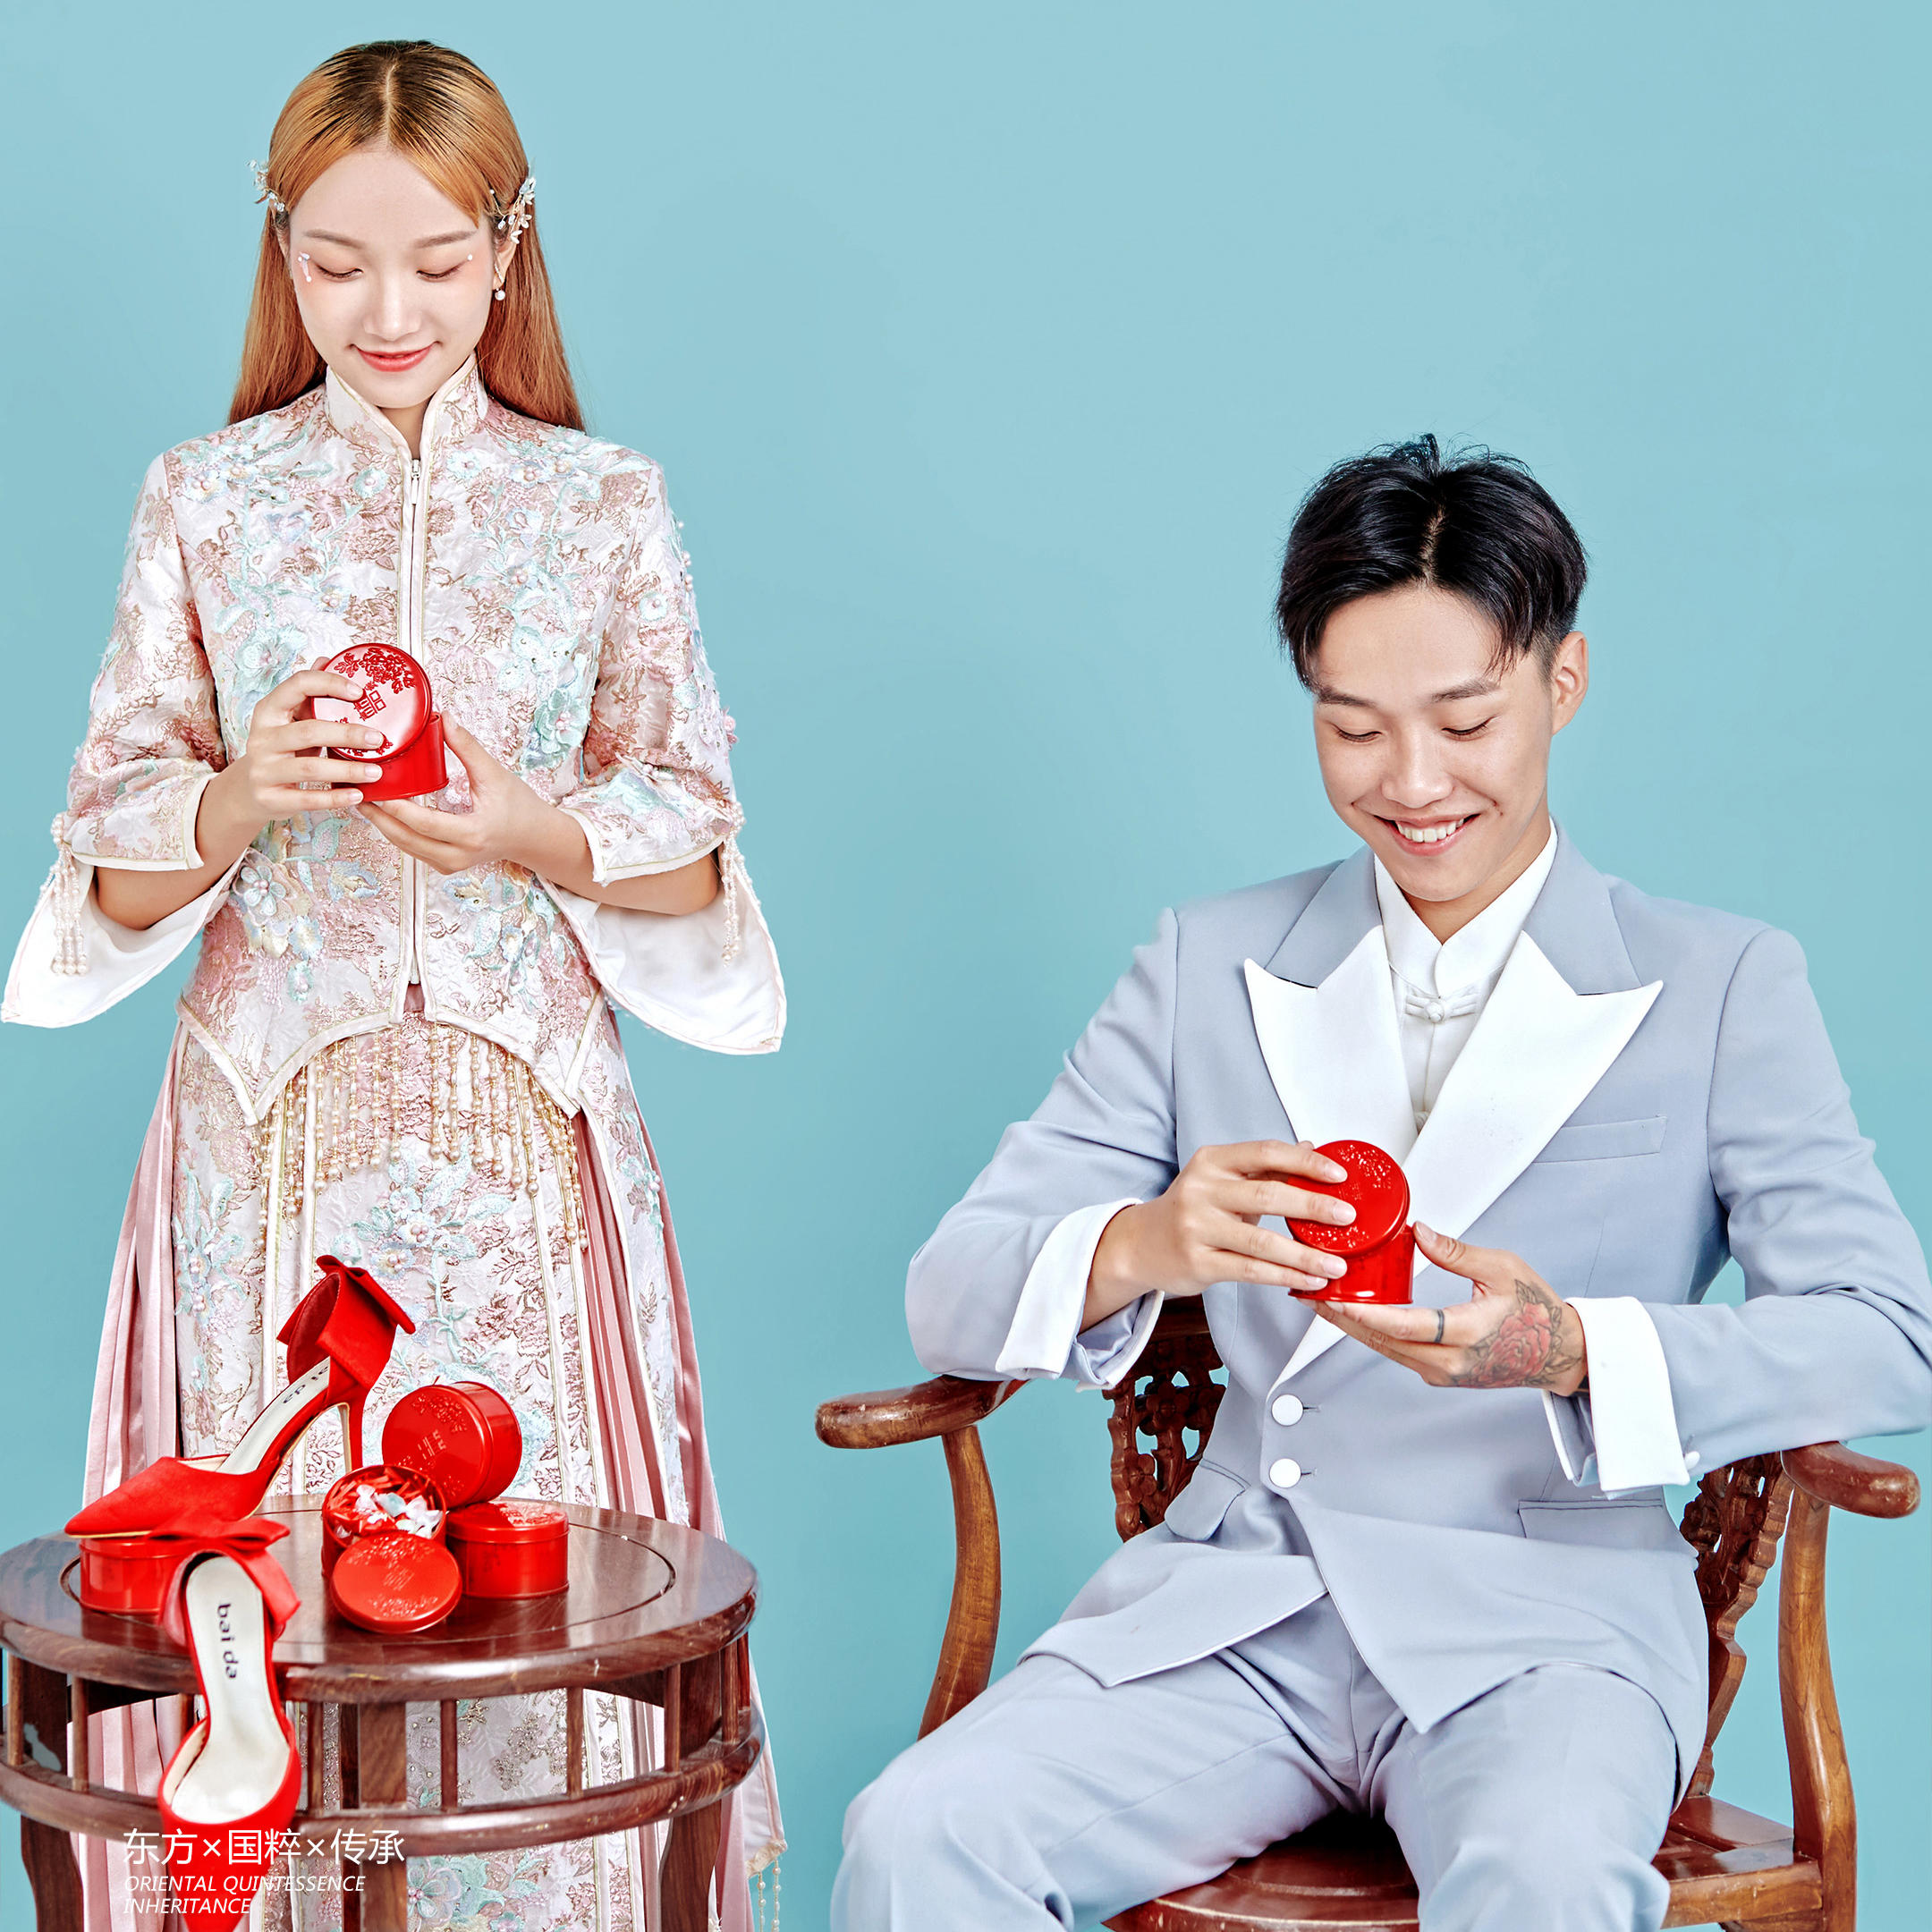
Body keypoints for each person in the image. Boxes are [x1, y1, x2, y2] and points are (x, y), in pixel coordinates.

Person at [832, 436, 1932, 1931]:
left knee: (1545, 1878)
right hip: (1236, 1616)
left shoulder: (1724, 982)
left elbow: (1887, 1333)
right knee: (918, 1835)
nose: (1413, 785)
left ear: (1565, 681)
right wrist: (1147, 1242)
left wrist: (1575, 1349)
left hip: (1552, 1637)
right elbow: (950, 1291)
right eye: (1353, 728)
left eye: (1465, 721)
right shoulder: (1205, 961)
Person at [4, 40, 785, 1932]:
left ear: (509, 250)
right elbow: (109, 839)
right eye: (337, 261)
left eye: (437, 260)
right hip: (270, 1146)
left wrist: (532, 826)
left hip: (522, 1139)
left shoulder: (602, 504)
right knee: (269, 1611)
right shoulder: (209, 499)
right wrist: (238, 796)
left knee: (529, 1600)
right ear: (281, 251)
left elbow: (693, 827)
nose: (388, 310)